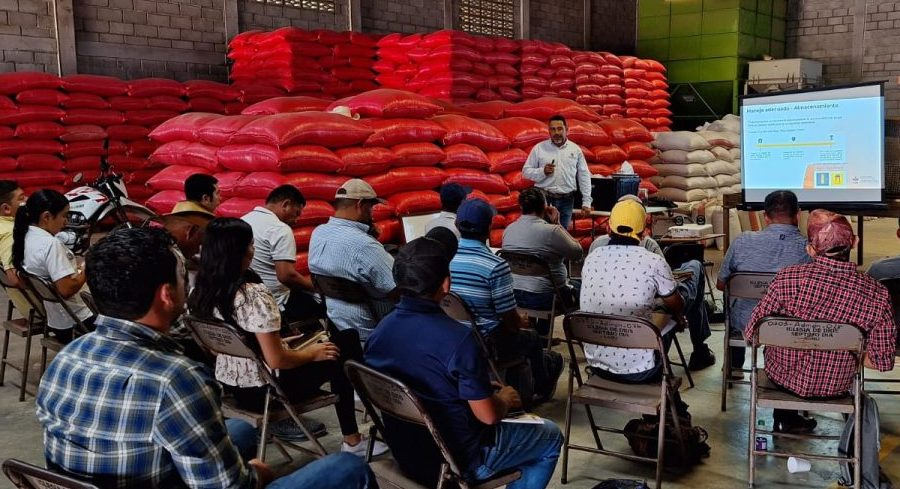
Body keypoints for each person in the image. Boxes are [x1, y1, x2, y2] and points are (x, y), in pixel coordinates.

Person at [35, 227, 378, 488]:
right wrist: (255, 476)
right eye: (182, 276)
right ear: (168, 294)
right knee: (349, 469)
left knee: (240, 431)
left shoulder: (67, 358)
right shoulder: (177, 378)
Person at [365, 236, 563, 489]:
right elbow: (488, 416)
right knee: (548, 435)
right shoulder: (459, 339)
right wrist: (504, 399)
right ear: (446, 284)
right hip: (458, 460)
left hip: (405, 450)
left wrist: (476, 386)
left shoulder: (379, 333)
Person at [189, 218, 387, 456]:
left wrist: (277, 344)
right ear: (240, 251)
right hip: (268, 392)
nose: (253, 251)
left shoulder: (198, 292)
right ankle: (353, 439)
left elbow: (220, 347)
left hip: (233, 388)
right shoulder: (252, 294)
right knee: (344, 344)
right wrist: (311, 353)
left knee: (327, 341)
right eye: (251, 245)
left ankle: (355, 432)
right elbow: (277, 361)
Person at [745, 209, 896, 433]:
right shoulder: (877, 294)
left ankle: (785, 419)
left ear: (810, 249)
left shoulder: (787, 279)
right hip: (837, 385)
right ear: (855, 242)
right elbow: (881, 362)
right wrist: (842, 349)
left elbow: (752, 335)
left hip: (781, 379)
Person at [450, 198, 563, 405]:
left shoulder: (446, 258)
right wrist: (520, 320)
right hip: (487, 343)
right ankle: (543, 386)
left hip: (453, 337)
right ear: (489, 227)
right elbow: (509, 321)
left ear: (457, 225)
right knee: (532, 337)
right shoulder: (495, 266)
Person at [580, 198, 704, 384]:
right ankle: (700, 349)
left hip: (597, 365)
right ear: (644, 233)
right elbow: (675, 303)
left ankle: (672, 405)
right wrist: (678, 317)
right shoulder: (653, 261)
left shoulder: (591, 258)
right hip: (644, 369)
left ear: (608, 229)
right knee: (692, 273)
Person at [717, 190, 810, 373]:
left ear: (765, 217)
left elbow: (722, 284)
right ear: (798, 215)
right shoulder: (807, 249)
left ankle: (733, 367)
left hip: (745, 322)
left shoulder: (742, 241)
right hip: (789, 325)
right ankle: (785, 369)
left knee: (735, 306)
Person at [308, 179, 395, 342]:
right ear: (361, 205)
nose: (372, 213)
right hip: (374, 331)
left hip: (339, 326)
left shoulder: (318, 233)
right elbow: (397, 288)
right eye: (371, 207)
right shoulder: (364, 245)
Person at [12, 190, 93, 343]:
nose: (65, 221)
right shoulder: (51, 244)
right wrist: (88, 266)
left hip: (58, 323)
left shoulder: (25, 237)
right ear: (47, 217)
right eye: (64, 215)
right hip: (77, 325)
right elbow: (66, 289)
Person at [501, 188, 583, 336]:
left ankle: (541, 336)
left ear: (521, 207)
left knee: (542, 283)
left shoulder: (508, 230)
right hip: (545, 299)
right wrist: (557, 224)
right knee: (580, 287)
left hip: (514, 296)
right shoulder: (552, 231)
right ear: (545, 207)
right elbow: (577, 253)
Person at [241, 185, 319, 324]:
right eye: (296, 213)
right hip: (276, 301)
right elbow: (286, 276)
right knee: (320, 306)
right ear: (286, 204)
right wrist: (316, 288)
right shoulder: (280, 229)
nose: (296, 220)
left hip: (246, 297)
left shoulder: (243, 220)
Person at [521, 115, 593, 229]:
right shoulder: (539, 148)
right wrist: (542, 171)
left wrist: (586, 202)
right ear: (549, 131)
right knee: (541, 235)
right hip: (543, 199)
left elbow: (583, 176)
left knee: (562, 235)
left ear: (566, 129)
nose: (556, 132)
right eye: (553, 129)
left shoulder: (575, 150)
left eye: (560, 129)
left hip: (567, 201)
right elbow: (525, 171)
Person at [0, 181, 32, 314]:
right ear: (6, 208)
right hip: (36, 307)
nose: (27, 200)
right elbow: (14, 278)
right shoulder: (10, 233)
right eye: (21, 198)